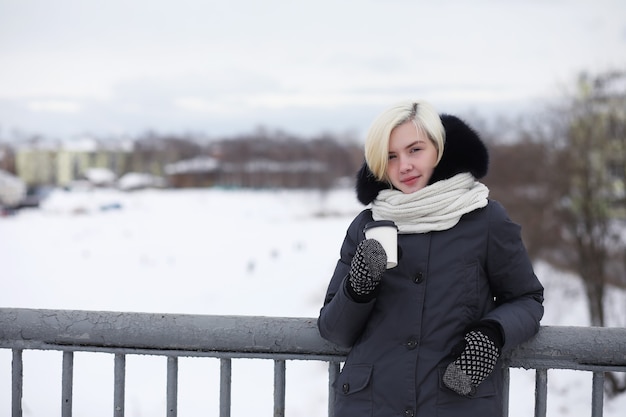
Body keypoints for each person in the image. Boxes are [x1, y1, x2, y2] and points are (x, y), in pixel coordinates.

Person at [317, 100, 544, 416]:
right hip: (369, 405)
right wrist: (358, 288)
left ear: (438, 149)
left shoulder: (485, 219)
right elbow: (334, 331)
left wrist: (493, 333)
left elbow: (527, 299)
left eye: (415, 150)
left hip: (454, 403)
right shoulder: (367, 225)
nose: (404, 166)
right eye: (391, 157)